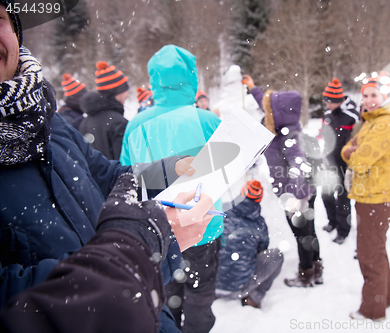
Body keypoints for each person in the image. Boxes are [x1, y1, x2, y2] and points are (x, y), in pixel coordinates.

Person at [0, 5, 195, 331]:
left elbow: (106, 175)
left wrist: (170, 170)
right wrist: (127, 254)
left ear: (16, 32)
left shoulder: (49, 121)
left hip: (146, 309)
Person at [0, 173, 214, 333]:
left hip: (140, 294)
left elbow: (103, 171)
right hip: (114, 301)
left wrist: (167, 169)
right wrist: (130, 246)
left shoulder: (52, 124)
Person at [120, 44, 223, 333]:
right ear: (192, 78)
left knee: (167, 294)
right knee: (201, 293)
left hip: (157, 226)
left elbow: (126, 173)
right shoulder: (207, 119)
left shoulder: (136, 124)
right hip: (202, 222)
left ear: (154, 81)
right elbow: (227, 169)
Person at [244, 75, 323, 288]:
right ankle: (316, 267)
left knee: (303, 235)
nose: (265, 109)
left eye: (270, 107)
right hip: (305, 191)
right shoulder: (283, 126)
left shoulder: (289, 137)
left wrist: (292, 197)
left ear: (278, 113)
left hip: (298, 195)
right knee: (310, 231)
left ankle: (307, 274)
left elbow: (299, 166)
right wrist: (253, 87)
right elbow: (265, 102)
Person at [341, 73, 390, 321]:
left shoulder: (385, 122)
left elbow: (360, 159)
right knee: (376, 252)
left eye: (374, 95)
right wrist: (351, 151)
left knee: (369, 255)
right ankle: (384, 299)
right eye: (365, 95)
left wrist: (353, 153)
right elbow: (348, 148)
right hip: (369, 196)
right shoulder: (371, 121)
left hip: (376, 199)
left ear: (385, 96)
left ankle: (372, 310)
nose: (368, 100)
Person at [215, 180, 283, 308]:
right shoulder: (260, 224)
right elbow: (262, 250)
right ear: (259, 199)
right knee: (276, 256)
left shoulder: (221, 211)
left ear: (241, 193)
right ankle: (254, 297)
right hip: (240, 287)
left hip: (209, 283)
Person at [320, 78, 359, 245]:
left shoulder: (352, 116)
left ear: (337, 100)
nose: (327, 105)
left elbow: (357, 141)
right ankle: (332, 221)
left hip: (345, 165)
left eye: (330, 102)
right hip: (329, 163)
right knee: (326, 195)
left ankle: (343, 230)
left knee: (343, 199)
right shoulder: (327, 115)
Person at [79, 61, 130, 160]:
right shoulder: (118, 123)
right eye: (125, 90)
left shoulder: (84, 122)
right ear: (117, 91)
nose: (127, 94)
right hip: (117, 175)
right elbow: (125, 161)